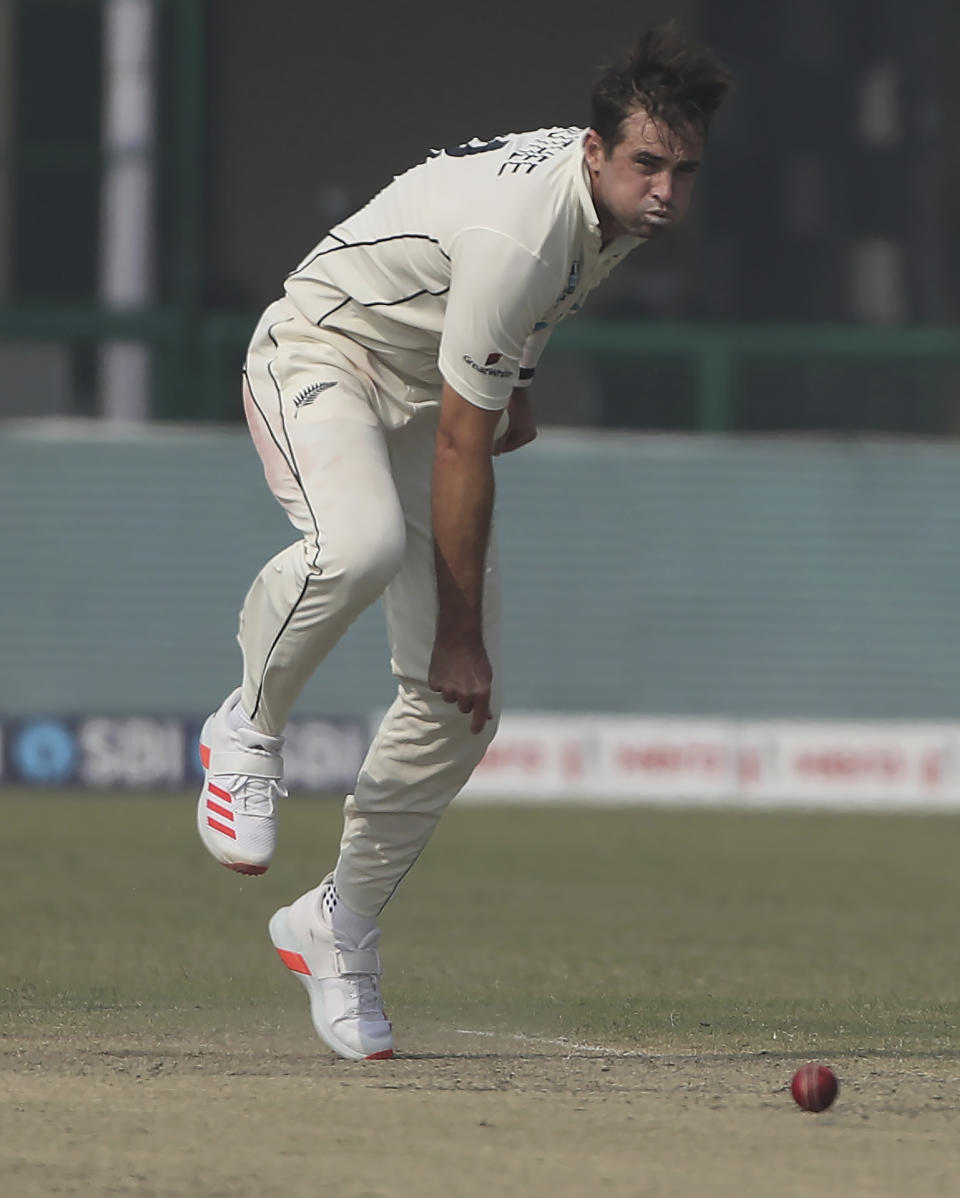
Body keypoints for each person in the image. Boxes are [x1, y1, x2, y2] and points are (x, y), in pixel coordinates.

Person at [196, 23, 731, 1061]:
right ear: (594, 149)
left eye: (683, 170)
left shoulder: (609, 213)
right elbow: (461, 437)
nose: (665, 191)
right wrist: (457, 633)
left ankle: (334, 925)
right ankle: (246, 726)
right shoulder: (531, 230)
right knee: (357, 549)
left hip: (419, 385)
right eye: (646, 165)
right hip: (323, 353)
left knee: (457, 711)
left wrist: (514, 378)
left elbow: (492, 355)